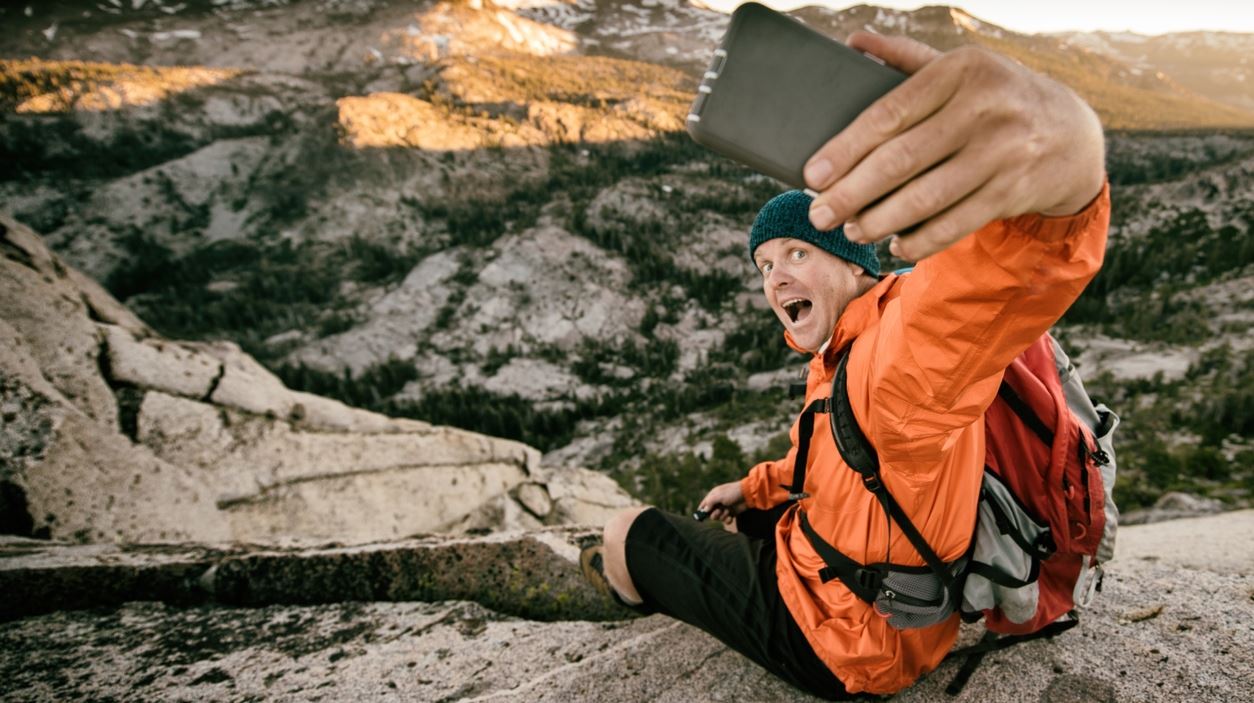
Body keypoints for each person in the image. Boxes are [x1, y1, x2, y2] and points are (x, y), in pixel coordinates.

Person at [579, 30, 1110, 698]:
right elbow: (825, 460)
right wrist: (755, 488)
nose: (775, 279)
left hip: (849, 640)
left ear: (855, 259)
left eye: (797, 253)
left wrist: (1066, 156)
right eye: (765, 266)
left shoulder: (897, 352)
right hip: (867, 588)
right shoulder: (843, 348)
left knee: (629, 533)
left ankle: (625, 594)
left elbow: (995, 280)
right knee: (735, 520)